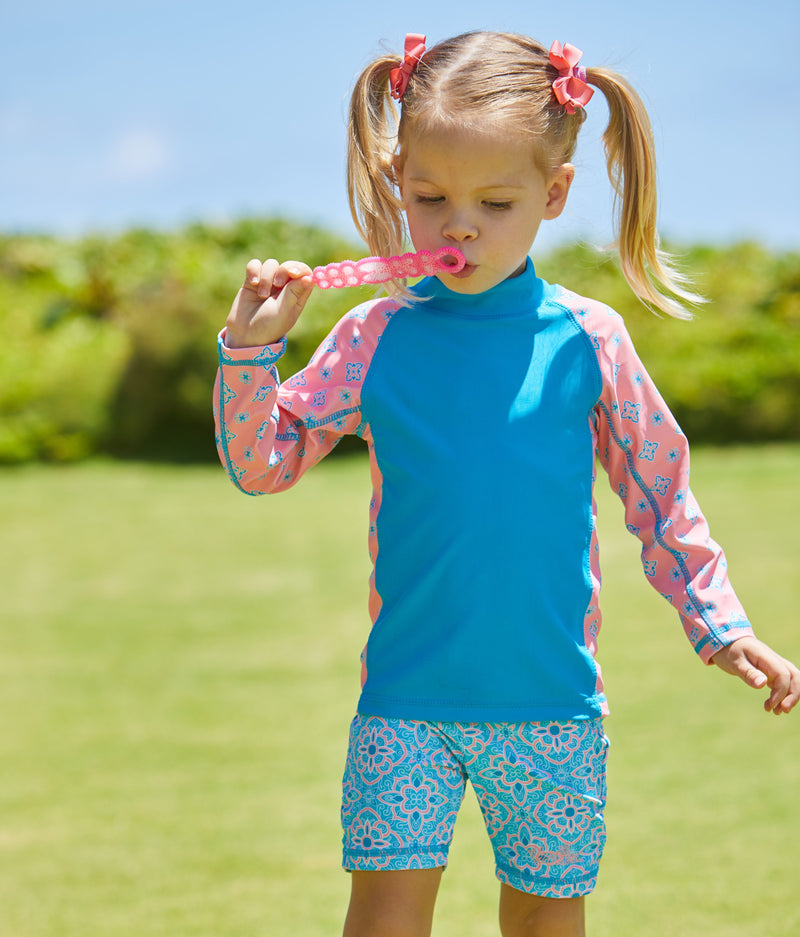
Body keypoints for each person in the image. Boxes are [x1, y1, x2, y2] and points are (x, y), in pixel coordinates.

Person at [213, 31, 799, 937]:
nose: (458, 226)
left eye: (494, 201)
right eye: (428, 197)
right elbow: (262, 461)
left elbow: (661, 495)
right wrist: (251, 349)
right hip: (406, 704)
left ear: (553, 194)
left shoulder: (591, 340)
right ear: (396, 177)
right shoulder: (373, 338)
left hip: (552, 710)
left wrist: (721, 624)